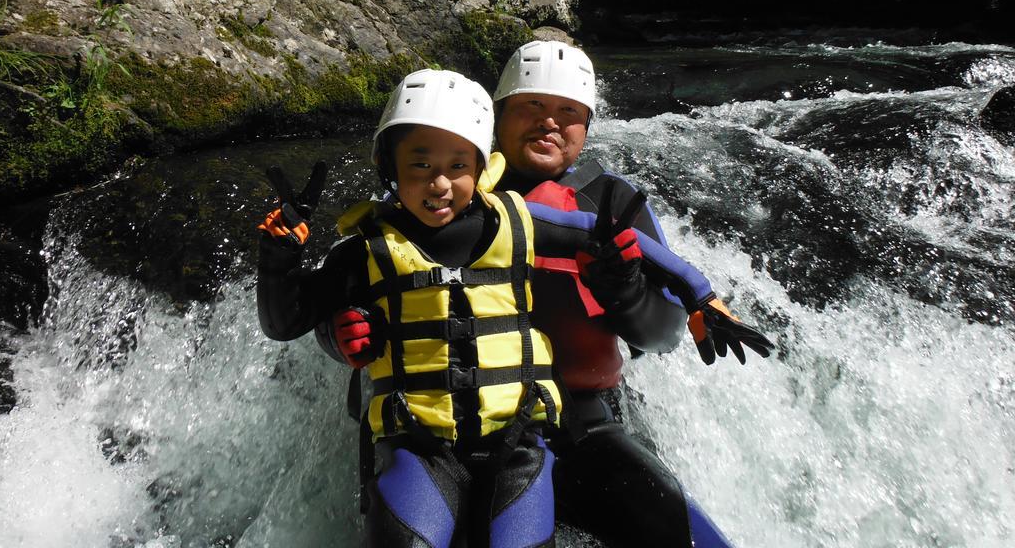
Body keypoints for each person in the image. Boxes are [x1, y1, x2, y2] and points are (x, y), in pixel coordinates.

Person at [257, 69, 564, 548]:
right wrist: (279, 257)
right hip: (420, 447)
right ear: (390, 167)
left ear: (481, 168)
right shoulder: (363, 251)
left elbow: (611, 240)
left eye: (458, 165)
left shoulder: (518, 226)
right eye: (420, 166)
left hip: (517, 440)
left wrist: (699, 298)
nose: (439, 184)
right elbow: (285, 323)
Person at [491, 40, 773, 547]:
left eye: (567, 113)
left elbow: (663, 337)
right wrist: (345, 333)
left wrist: (626, 293)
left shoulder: (612, 201)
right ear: (499, 114)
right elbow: (350, 306)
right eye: (532, 106)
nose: (548, 122)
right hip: (454, 423)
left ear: (587, 127)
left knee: (673, 524)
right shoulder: (440, 185)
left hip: (581, 422)